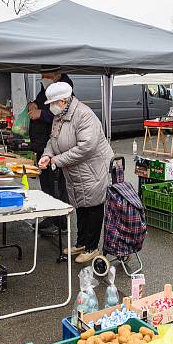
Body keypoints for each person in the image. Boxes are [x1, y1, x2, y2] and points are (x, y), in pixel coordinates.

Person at [39, 82, 114, 264]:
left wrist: (57, 160)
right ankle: (81, 243)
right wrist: (47, 155)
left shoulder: (83, 114)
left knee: (93, 207)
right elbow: (53, 139)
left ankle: (92, 247)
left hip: (92, 169)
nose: (51, 107)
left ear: (64, 101)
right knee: (81, 206)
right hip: (75, 170)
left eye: (53, 103)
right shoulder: (61, 115)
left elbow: (86, 147)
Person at [28, 66, 75, 237]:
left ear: (57, 75)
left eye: (46, 75)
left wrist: (41, 114)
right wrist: (33, 104)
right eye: (41, 74)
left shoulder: (65, 91)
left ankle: (61, 223)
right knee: (46, 184)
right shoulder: (46, 88)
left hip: (56, 148)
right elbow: (41, 103)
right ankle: (50, 216)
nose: (42, 78)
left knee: (58, 186)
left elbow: (62, 115)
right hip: (42, 144)